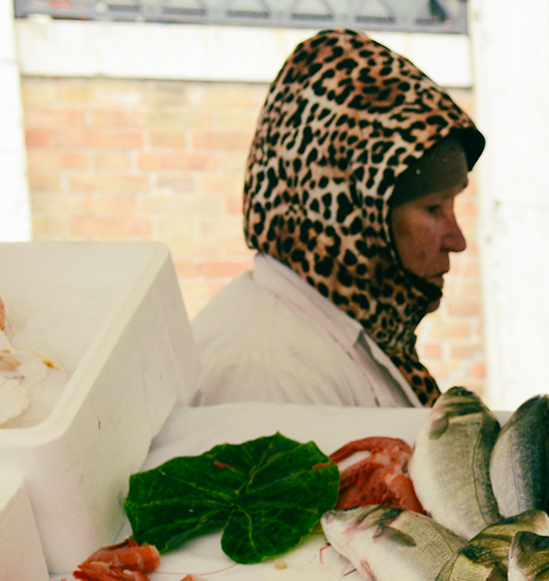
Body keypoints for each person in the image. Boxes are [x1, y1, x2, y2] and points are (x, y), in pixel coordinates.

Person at [190, 29, 483, 407]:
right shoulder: (270, 371)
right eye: (433, 209)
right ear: (356, 214)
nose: (457, 241)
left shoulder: (345, 330)